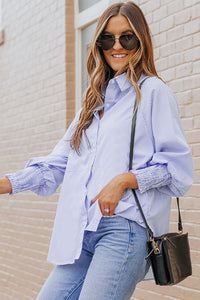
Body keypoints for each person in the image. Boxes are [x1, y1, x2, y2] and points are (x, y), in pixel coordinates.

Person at [0, 2, 193, 300]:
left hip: (124, 231)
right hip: (83, 232)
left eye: (126, 37)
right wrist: (6, 183)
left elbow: (176, 169)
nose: (117, 46)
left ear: (140, 40)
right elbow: (59, 163)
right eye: (107, 39)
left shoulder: (154, 92)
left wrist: (124, 180)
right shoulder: (92, 103)